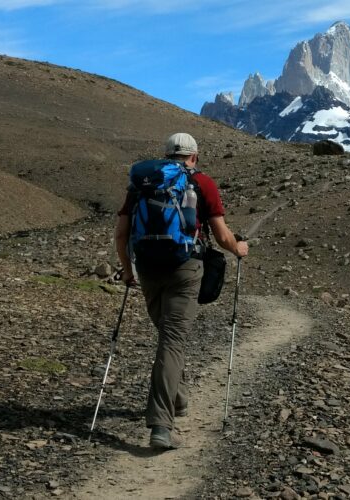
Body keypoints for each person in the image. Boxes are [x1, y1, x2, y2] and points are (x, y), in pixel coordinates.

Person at [114, 132, 249, 449]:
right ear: (194, 157)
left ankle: (179, 397)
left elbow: (121, 233)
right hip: (185, 269)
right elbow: (221, 236)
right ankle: (161, 426)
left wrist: (127, 269)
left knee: (167, 337)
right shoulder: (202, 183)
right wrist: (238, 248)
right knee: (172, 342)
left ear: (165, 156)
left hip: (147, 268)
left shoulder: (142, 183)